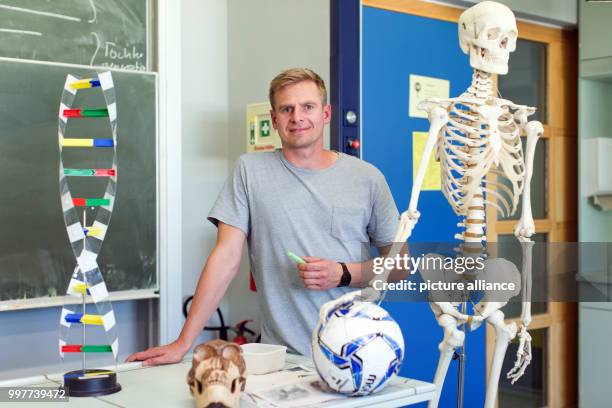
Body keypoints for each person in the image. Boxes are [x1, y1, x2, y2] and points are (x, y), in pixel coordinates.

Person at [126, 68, 401, 366]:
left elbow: (401, 265)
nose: (297, 117)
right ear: (274, 119)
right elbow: (226, 257)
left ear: (326, 113)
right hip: (283, 358)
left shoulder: (367, 178)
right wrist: (183, 342)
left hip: (356, 354)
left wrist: (344, 273)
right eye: (287, 109)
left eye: (307, 107)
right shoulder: (250, 171)